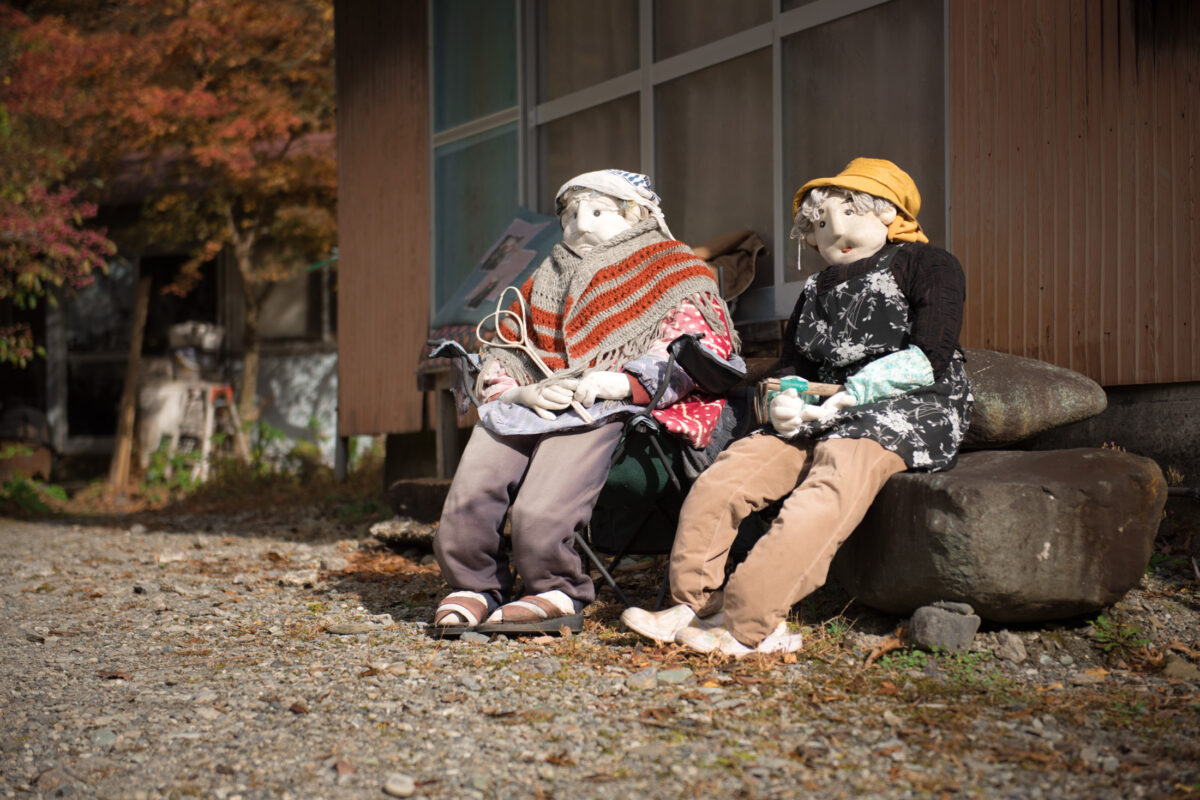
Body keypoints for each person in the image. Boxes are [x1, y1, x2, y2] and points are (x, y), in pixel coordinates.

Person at [621, 158, 972, 657]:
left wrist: (852, 395)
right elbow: (793, 363)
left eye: (853, 212)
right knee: (729, 474)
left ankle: (750, 624)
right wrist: (786, 400)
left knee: (829, 485)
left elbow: (931, 354)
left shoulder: (928, 264)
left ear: (890, 214)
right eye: (824, 222)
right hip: (819, 409)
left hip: (908, 405)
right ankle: (692, 603)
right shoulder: (815, 288)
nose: (838, 230)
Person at [432, 169, 742, 635]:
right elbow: (505, 342)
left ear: (635, 213)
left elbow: (695, 341)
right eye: (571, 215)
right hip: (544, 394)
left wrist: (620, 382)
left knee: (542, 503)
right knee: (484, 456)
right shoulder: (545, 277)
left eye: (596, 211)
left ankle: (554, 586)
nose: (580, 224)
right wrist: (518, 389)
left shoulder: (674, 265)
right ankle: (473, 581)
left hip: (613, 403)